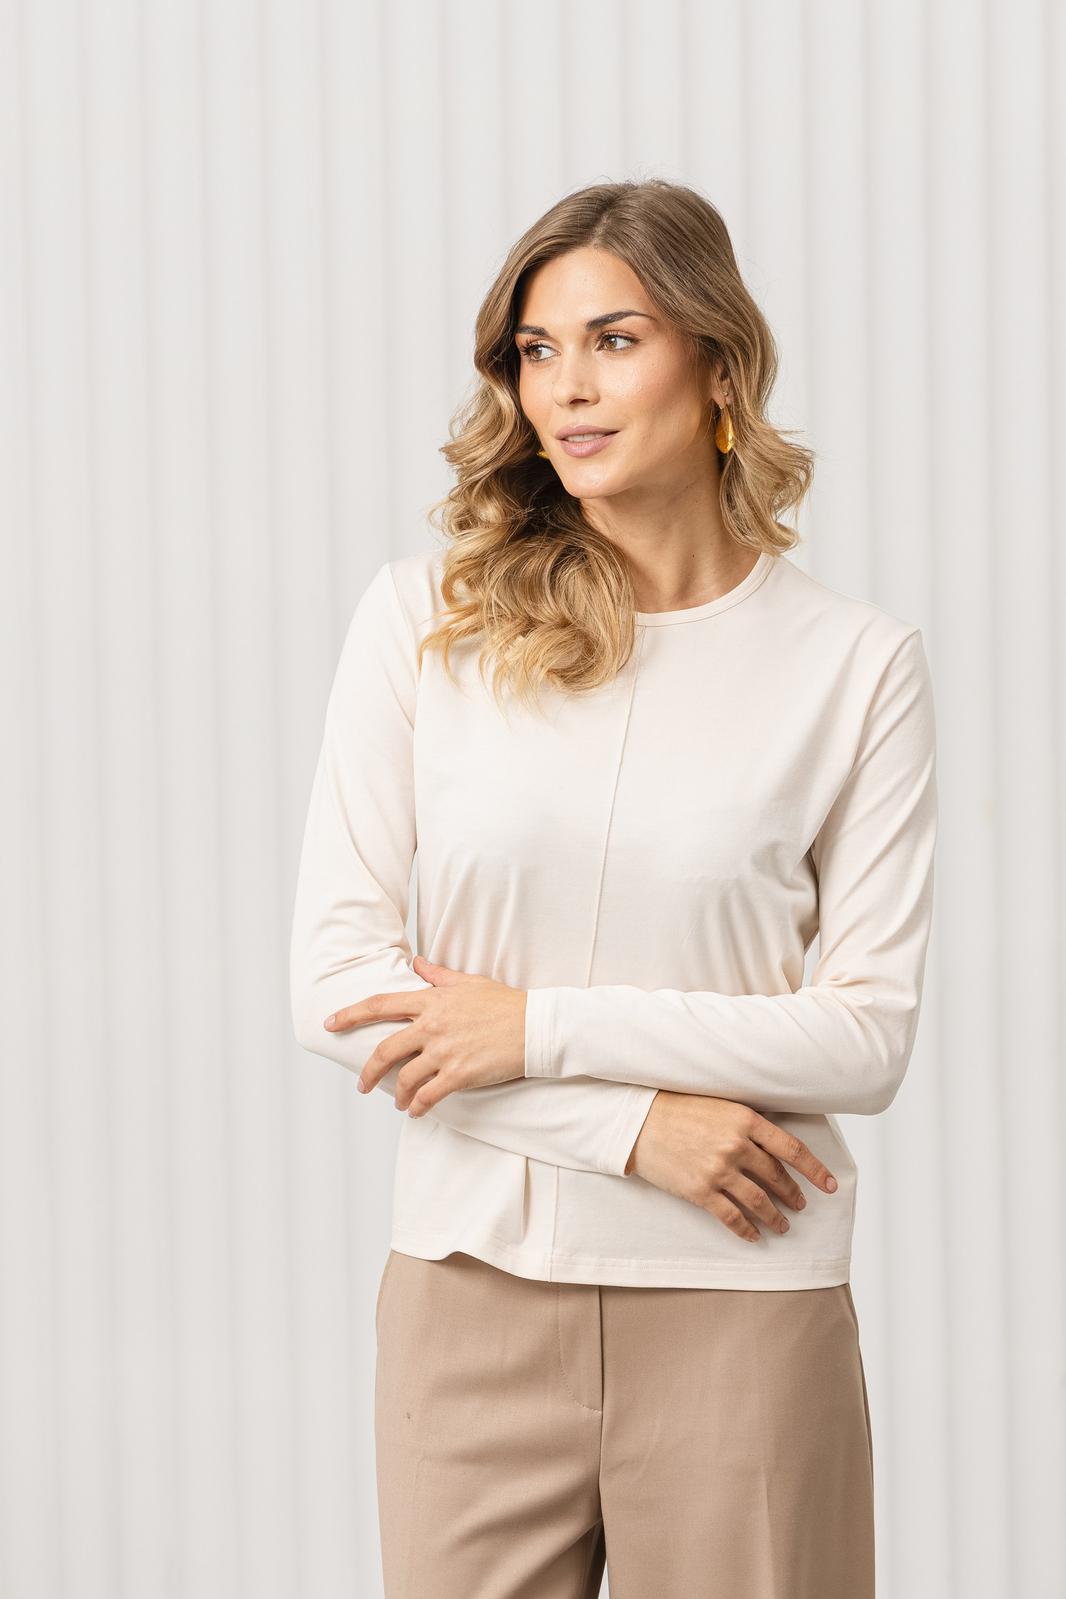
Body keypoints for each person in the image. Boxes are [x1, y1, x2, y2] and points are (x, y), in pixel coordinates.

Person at [289, 178, 937, 1599]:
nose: (566, 389)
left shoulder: (854, 666)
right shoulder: (425, 623)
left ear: (719, 365)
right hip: (467, 1296)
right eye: (537, 350)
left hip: (742, 1303)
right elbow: (340, 987)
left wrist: (534, 1029)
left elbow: (865, 1039)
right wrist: (633, 1127)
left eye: (614, 340)